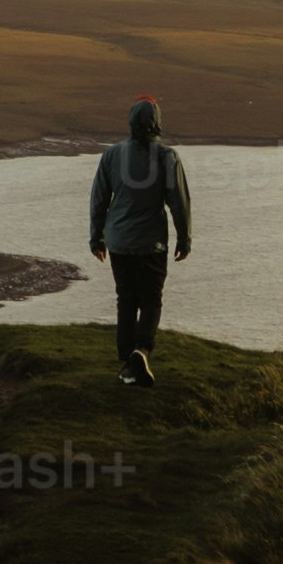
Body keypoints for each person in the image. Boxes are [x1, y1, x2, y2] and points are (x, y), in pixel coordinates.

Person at [86, 96, 193, 383]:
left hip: (118, 241)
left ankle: (127, 365)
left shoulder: (111, 155)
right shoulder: (166, 157)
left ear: (131, 121)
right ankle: (141, 351)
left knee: (126, 300)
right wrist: (185, 238)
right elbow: (178, 203)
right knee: (150, 301)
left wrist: (96, 237)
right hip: (151, 244)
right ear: (158, 123)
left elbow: (99, 199)